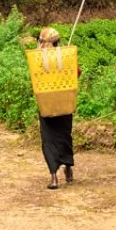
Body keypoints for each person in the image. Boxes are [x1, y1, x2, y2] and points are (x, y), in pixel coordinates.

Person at [35, 26, 77, 190]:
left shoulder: (38, 59)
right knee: (64, 137)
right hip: (64, 102)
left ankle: (55, 177)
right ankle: (66, 168)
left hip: (48, 104)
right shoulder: (65, 56)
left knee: (50, 140)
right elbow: (77, 72)